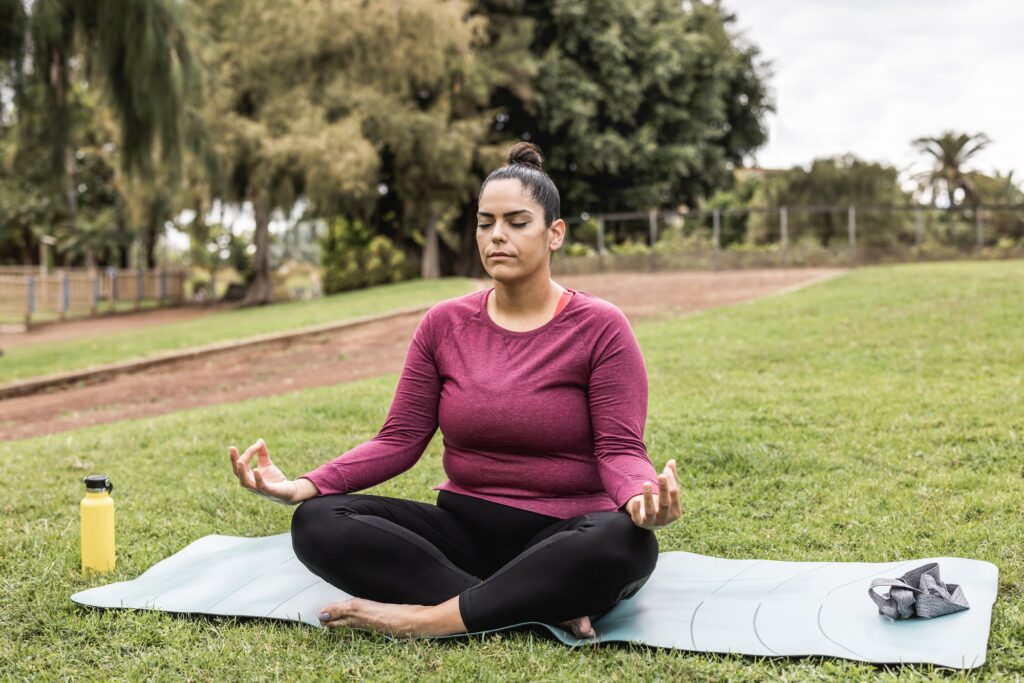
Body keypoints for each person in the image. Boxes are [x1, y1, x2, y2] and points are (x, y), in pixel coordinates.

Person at [228, 142, 682, 640]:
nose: (497, 236)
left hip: (565, 534)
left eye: (517, 222)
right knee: (318, 522)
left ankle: (430, 619)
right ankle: (527, 601)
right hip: (462, 533)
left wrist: (640, 498)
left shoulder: (601, 326)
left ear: (555, 234)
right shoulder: (444, 323)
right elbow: (399, 439)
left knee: (626, 542)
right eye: (485, 223)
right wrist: (303, 486)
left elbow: (619, 449)